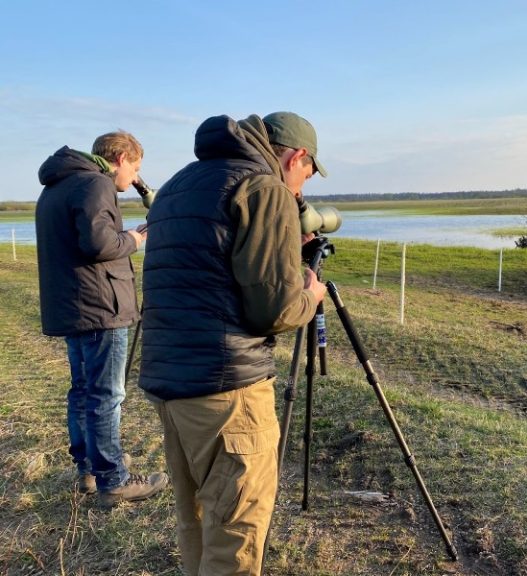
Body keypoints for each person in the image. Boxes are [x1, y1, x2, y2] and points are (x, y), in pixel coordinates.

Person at [138, 112, 327, 575]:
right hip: (228, 390)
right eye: (306, 173)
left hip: (170, 382)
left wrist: (281, 242)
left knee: (198, 523)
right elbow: (274, 311)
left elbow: (208, 272)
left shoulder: (181, 183)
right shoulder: (263, 188)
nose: (303, 186)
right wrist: (311, 295)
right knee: (236, 533)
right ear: (296, 156)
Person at [35, 132, 169, 508]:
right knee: (106, 395)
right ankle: (114, 478)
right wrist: (134, 240)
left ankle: (90, 467)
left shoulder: (59, 183)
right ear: (122, 158)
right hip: (100, 305)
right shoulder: (95, 183)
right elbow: (98, 244)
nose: (134, 178)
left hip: (74, 303)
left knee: (82, 390)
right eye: (136, 168)